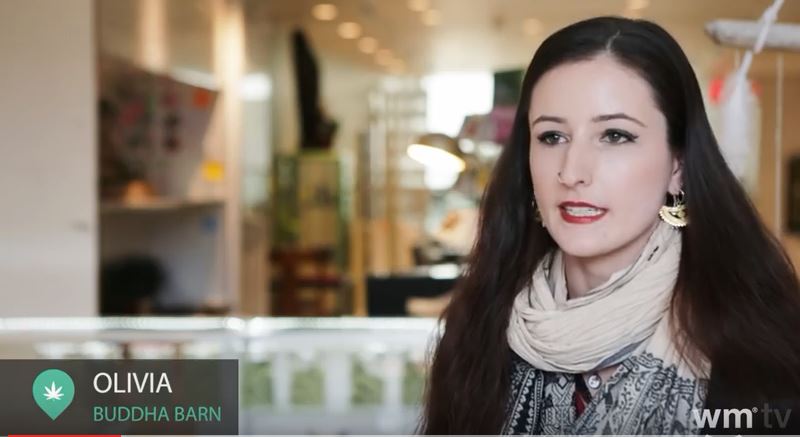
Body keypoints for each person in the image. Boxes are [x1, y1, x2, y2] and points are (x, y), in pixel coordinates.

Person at [419, 16, 800, 435]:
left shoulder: (756, 349)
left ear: (678, 165)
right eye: (552, 137)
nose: (572, 172)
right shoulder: (478, 329)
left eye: (615, 136)